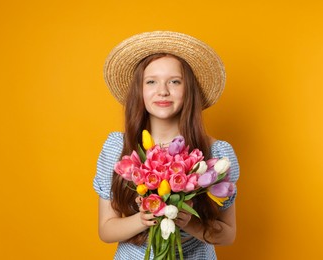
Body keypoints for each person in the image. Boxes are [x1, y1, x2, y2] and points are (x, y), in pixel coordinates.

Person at [93, 31, 240, 259]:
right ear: (139, 91)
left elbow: (228, 235)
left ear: (188, 89)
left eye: (174, 81)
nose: (163, 91)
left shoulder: (217, 153)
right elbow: (106, 229)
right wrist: (143, 218)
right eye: (151, 81)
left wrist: (189, 223)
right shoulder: (116, 148)